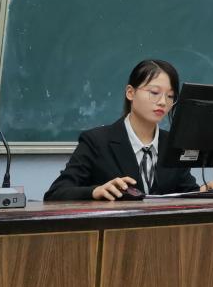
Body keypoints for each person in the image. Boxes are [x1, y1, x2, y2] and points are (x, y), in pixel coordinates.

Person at [44, 59, 200, 201]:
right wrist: (95, 191)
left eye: (170, 96)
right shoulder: (96, 142)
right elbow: (55, 193)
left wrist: (206, 191)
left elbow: (187, 192)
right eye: (154, 93)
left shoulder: (173, 144)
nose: (163, 102)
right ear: (130, 93)